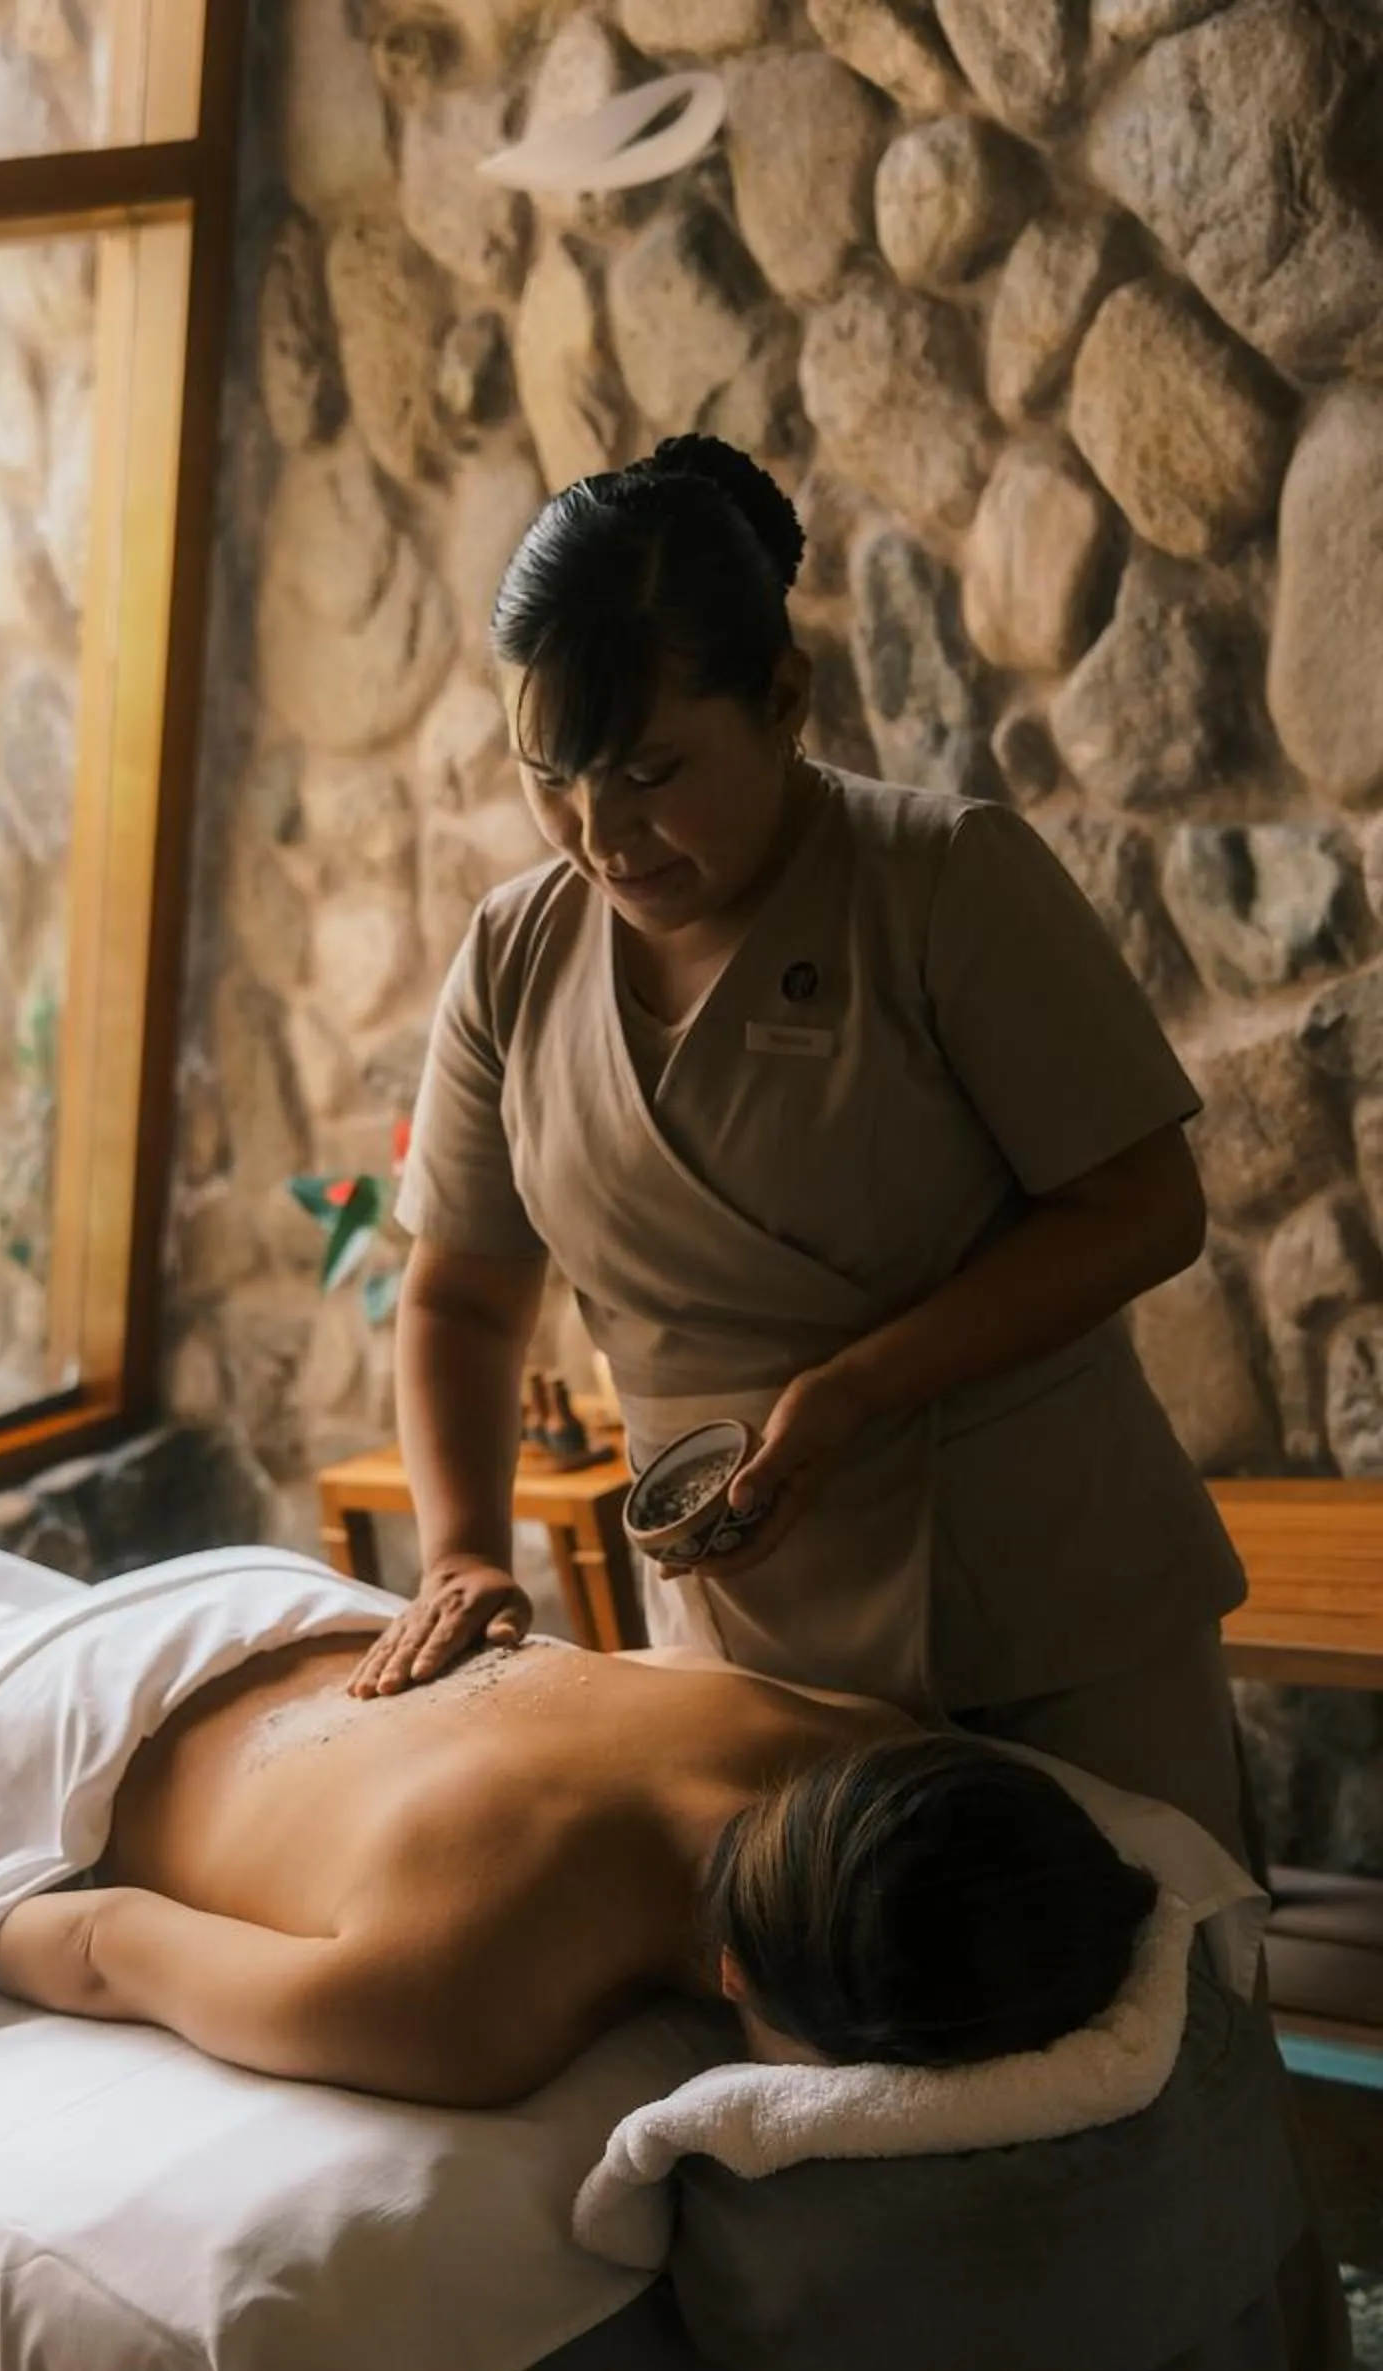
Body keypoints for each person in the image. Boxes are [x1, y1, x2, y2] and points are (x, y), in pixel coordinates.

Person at [362, 432, 1248, 1864]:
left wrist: (854, 1389)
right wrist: (464, 1545)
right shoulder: (513, 956)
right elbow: (463, 1292)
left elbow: (1144, 1208)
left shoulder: (945, 881)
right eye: (555, 778)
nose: (602, 834)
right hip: (744, 1654)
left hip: (1038, 1596)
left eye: (652, 770)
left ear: (783, 698)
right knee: (828, 2063)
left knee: (1135, 2029)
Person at [0, 1624, 1155, 2105]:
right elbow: (95, 1943)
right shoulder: (459, 2004)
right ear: (743, 1983)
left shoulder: (860, 1728)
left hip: (267, 1612)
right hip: (48, 1734)